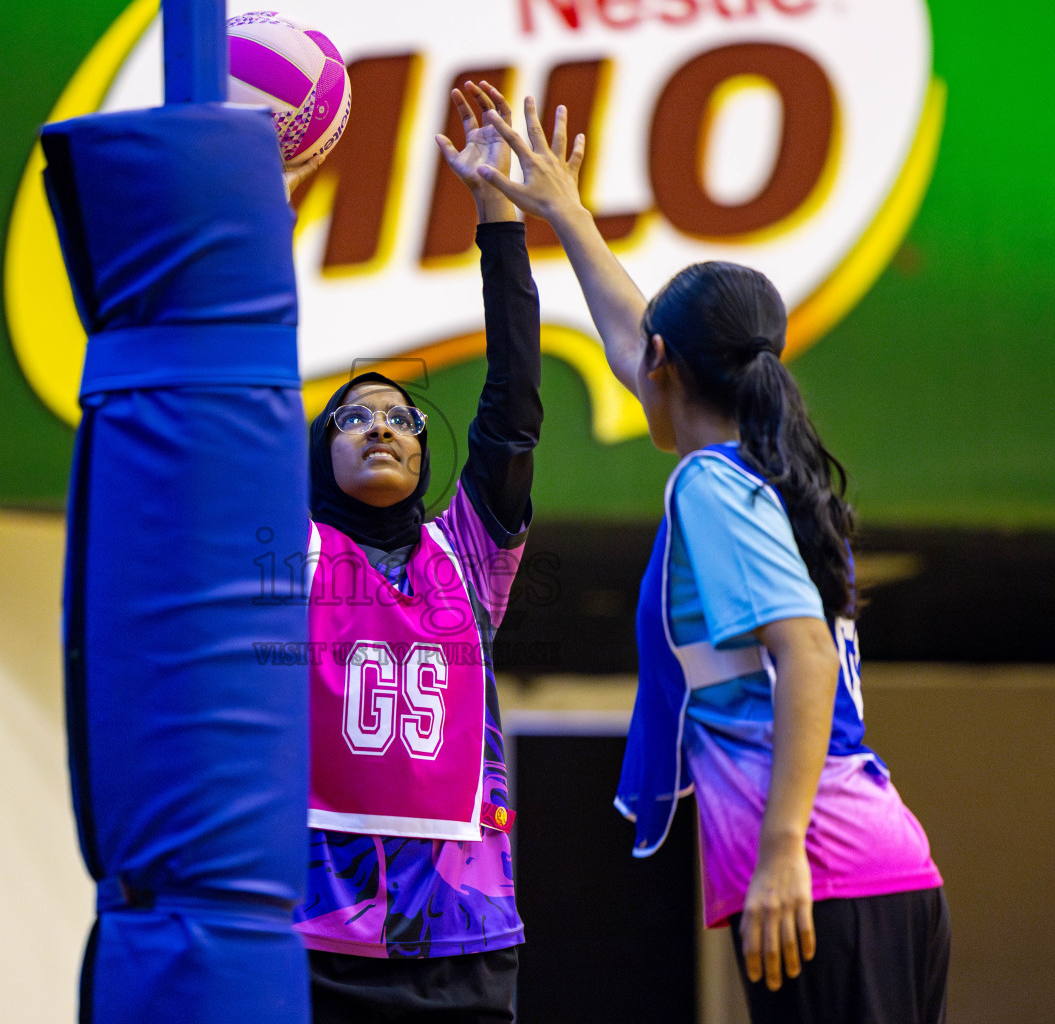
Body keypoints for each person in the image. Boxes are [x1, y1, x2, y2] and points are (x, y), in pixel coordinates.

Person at [473, 98, 950, 1023]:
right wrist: (566, 213)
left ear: (668, 362)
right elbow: (634, 341)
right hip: (874, 875)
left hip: (822, 877)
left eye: (647, 357)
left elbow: (805, 654)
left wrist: (782, 852)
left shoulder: (709, 486)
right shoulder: (767, 473)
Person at [291, 83, 540, 1024]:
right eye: (355, 418)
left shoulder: (466, 556)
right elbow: (245, 401)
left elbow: (513, 408)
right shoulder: (296, 552)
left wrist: (497, 215)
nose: (384, 428)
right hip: (318, 936)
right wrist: (265, 216)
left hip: (463, 941)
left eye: (402, 419)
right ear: (318, 454)